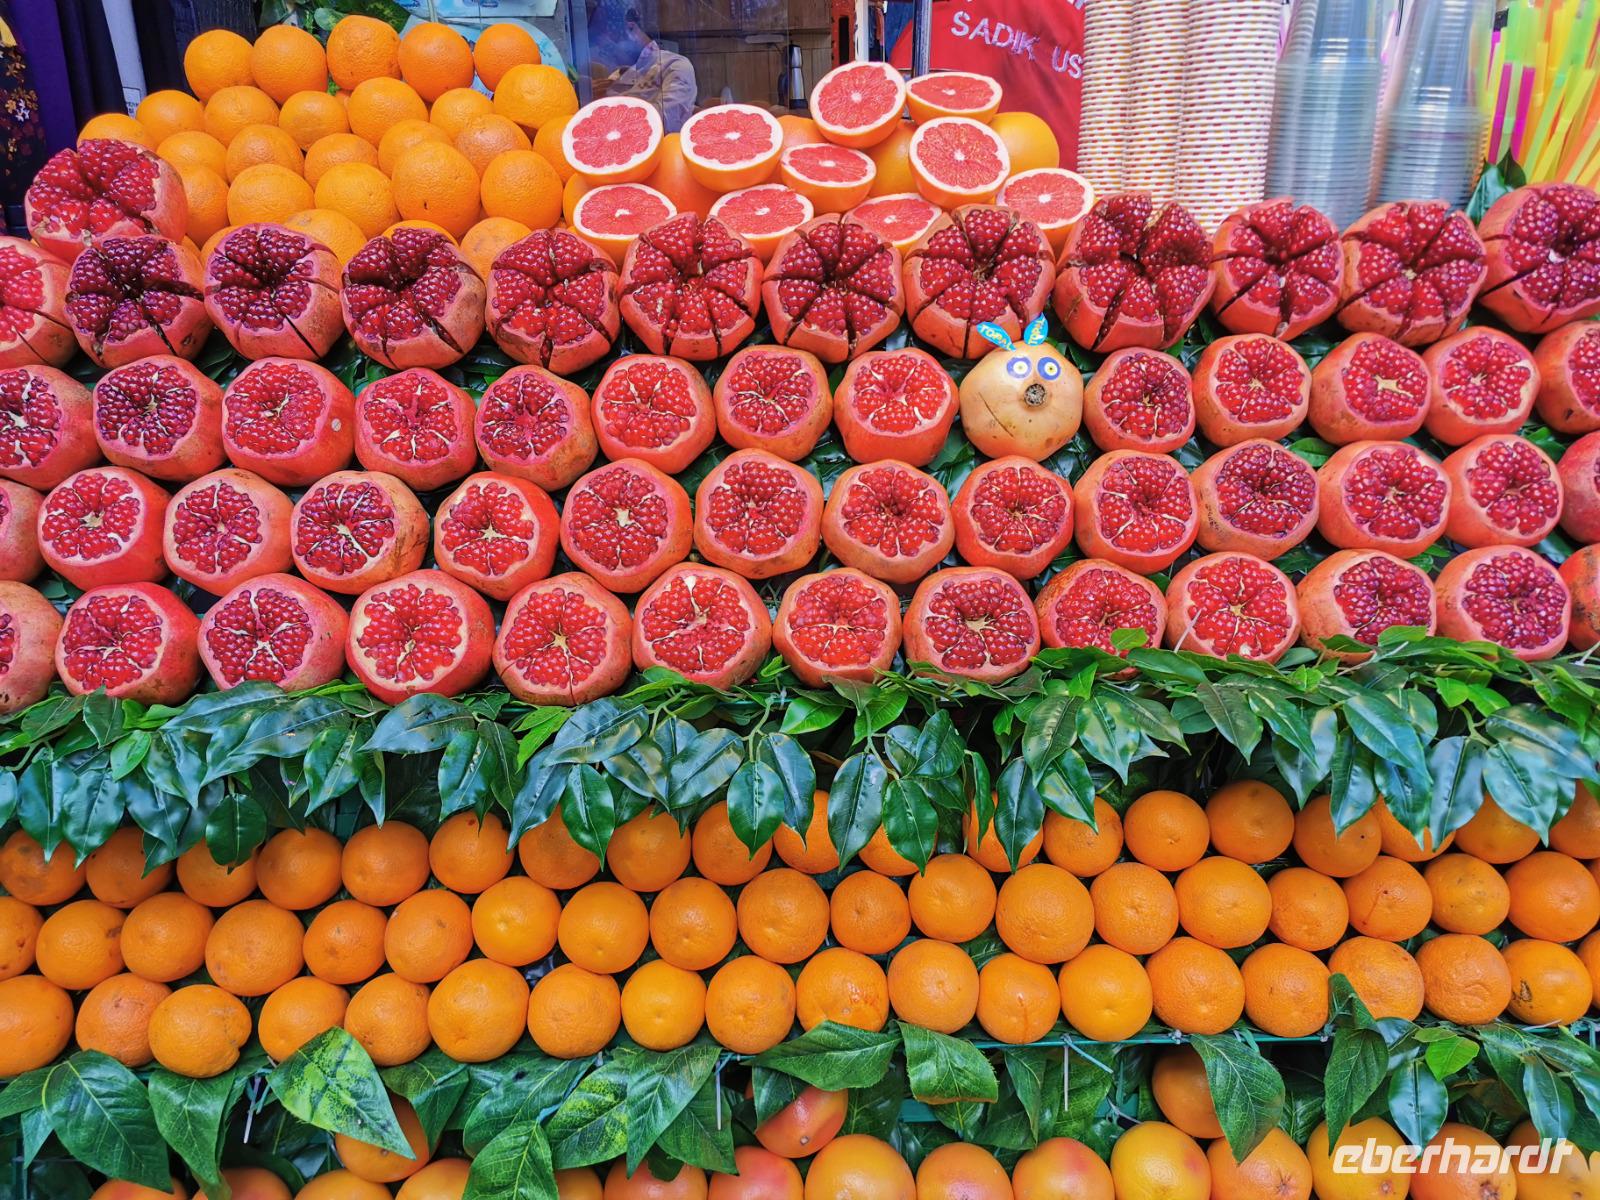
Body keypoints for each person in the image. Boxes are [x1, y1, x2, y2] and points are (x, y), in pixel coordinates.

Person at [599, 8, 697, 133]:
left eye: (610, 46)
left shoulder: (675, 65)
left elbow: (666, 122)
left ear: (630, 28)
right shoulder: (616, 75)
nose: (609, 54)